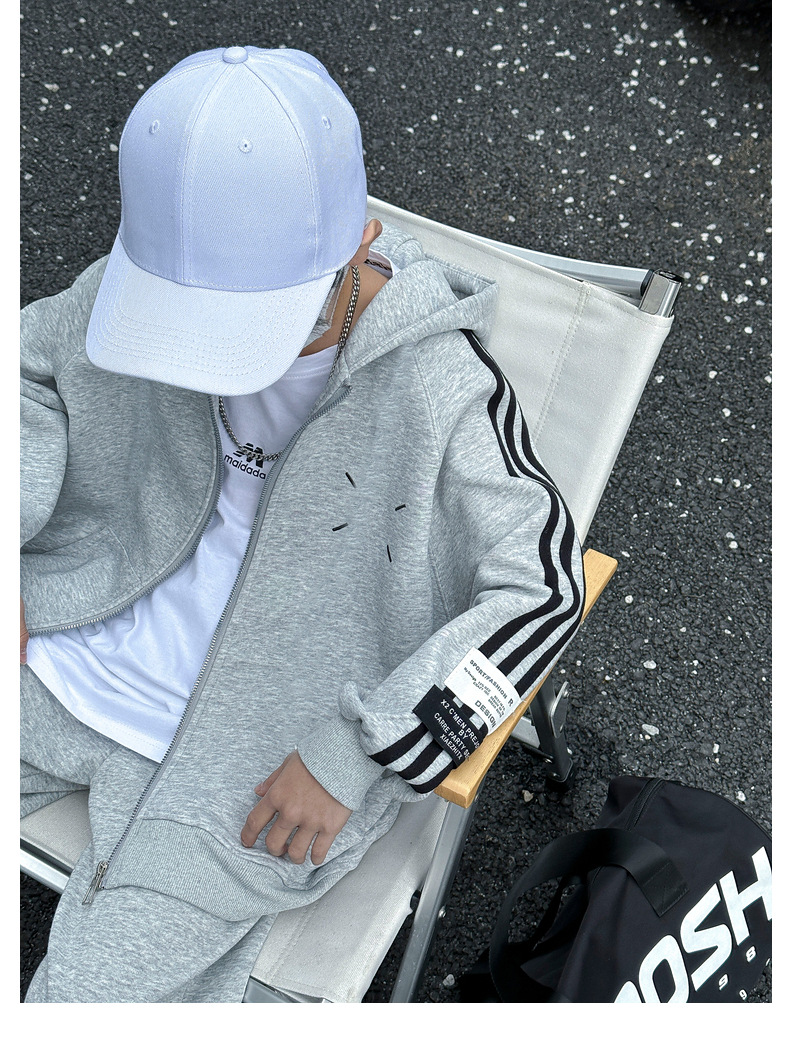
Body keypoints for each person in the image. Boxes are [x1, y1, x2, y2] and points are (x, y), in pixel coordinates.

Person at [20, 45, 585, 1002]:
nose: (205, 353)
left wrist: (357, 755)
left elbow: (547, 591)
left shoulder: (442, 391)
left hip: (256, 770)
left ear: (362, 243)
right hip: (58, 650)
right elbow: (28, 368)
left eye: (249, 324)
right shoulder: (133, 284)